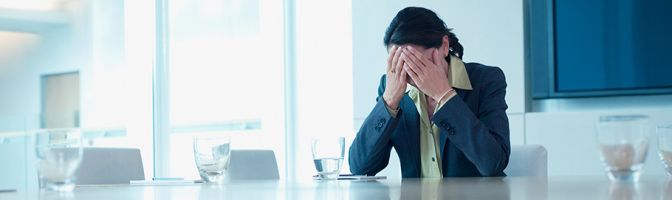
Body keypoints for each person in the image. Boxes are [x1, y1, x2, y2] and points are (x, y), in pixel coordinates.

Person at [349, 7, 510, 178]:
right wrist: (389, 101)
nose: (412, 76)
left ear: (444, 46)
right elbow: (359, 167)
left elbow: (494, 163)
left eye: (419, 65)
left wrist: (445, 96)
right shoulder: (391, 85)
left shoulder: (486, 80)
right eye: (401, 65)